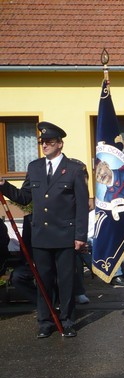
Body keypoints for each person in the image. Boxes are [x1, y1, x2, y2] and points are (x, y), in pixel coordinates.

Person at [0, 121, 89, 338]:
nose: (45, 146)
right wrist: (4, 186)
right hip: (41, 236)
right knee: (43, 281)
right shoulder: (35, 167)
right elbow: (24, 197)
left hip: (66, 235)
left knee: (66, 281)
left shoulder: (75, 169)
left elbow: (81, 206)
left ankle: (67, 320)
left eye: (49, 142)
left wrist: (80, 236)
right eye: (43, 142)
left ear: (60, 144)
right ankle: (45, 321)